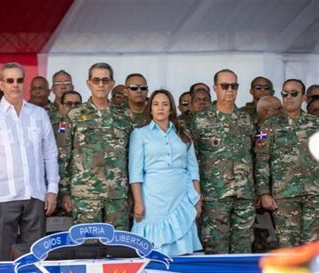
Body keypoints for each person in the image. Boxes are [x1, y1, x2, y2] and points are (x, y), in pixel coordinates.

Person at [0, 62, 59, 261]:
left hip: (35, 194)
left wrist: (52, 190)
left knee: (36, 257)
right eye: (10, 80)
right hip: (3, 197)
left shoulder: (39, 114)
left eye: (19, 80)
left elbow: (50, 153)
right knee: (5, 257)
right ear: (1, 84)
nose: (15, 85)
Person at [60, 63, 132, 230]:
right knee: (88, 246)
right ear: (88, 83)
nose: (101, 84)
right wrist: (64, 192)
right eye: (96, 80)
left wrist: (131, 193)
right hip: (85, 196)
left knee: (118, 246)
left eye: (105, 80)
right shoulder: (73, 115)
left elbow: (131, 156)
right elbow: (63, 155)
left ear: (112, 84)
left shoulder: (124, 116)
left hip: (117, 196)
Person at [129, 89, 202, 255]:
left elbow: (192, 168)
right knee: (155, 246)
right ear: (150, 109)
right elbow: (135, 171)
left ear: (171, 108)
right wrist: (138, 202)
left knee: (183, 241)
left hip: (180, 193)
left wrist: (197, 198)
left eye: (165, 104)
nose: (160, 108)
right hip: (153, 195)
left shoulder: (184, 134)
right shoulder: (140, 134)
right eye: (155, 104)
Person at [191, 69, 256, 254]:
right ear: (215, 88)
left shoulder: (246, 119)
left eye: (234, 86)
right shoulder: (200, 120)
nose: (230, 90)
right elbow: (191, 159)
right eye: (224, 86)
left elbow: (254, 155)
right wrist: (196, 193)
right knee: (215, 250)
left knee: (243, 249)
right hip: (214, 196)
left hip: (244, 195)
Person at [255, 79, 318, 248]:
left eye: (294, 93)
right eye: (285, 93)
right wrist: (264, 193)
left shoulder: (315, 124)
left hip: (314, 193)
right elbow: (261, 160)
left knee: (312, 246)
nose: (288, 97)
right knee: (288, 245)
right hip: (284, 195)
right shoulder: (268, 126)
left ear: (304, 97)